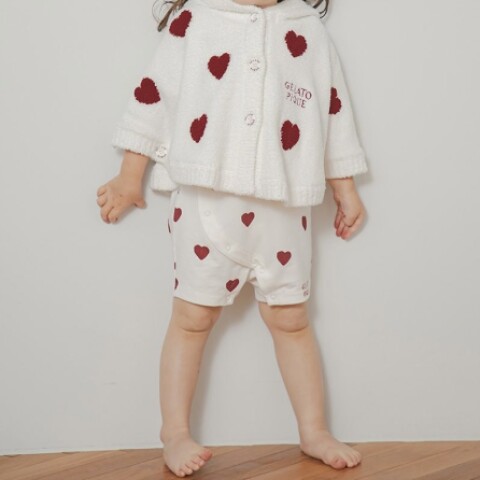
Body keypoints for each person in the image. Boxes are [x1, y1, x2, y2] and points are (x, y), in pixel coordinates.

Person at [96, 0, 368, 475]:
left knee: (292, 320)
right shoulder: (195, 21)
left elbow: (331, 110)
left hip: (284, 208)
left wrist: (344, 187)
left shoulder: (307, 30)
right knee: (191, 318)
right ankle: (174, 431)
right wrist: (129, 175)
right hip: (206, 203)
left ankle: (314, 430)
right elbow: (156, 95)